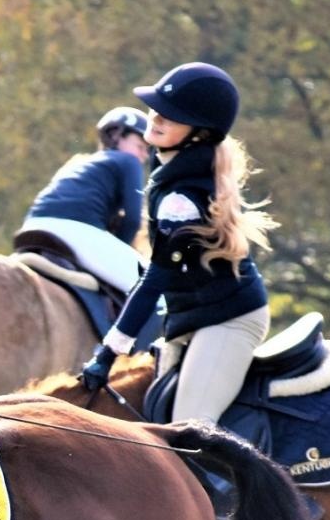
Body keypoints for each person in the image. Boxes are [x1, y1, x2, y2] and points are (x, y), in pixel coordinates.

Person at [80, 63, 277, 429]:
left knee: (189, 430)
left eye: (172, 115)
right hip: (194, 319)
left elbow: (154, 280)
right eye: (157, 108)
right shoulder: (172, 170)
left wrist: (109, 353)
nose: (156, 118)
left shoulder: (180, 199)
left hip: (228, 321)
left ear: (199, 135)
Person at [17, 106, 150, 297]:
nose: (144, 155)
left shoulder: (78, 162)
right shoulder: (129, 161)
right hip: (77, 231)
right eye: (140, 146)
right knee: (152, 294)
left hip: (32, 226)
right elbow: (132, 220)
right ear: (116, 137)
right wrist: (119, 248)